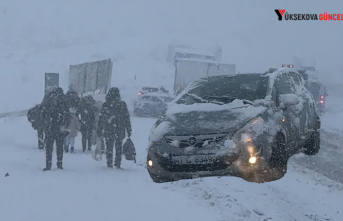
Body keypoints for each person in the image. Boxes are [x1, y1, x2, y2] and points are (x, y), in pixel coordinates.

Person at [97, 87, 132, 169]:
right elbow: (127, 118)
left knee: (109, 146)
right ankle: (118, 163)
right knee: (119, 147)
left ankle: (109, 162)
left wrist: (100, 128)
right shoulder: (122, 104)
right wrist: (128, 129)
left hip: (109, 128)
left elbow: (101, 118)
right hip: (119, 128)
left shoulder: (106, 104)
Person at [41, 88, 69, 171]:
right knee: (60, 146)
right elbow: (67, 114)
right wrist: (64, 124)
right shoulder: (63, 102)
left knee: (49, 147)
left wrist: (46, 122)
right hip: (60, 127)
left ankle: (48, 165)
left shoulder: (49, 101)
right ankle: (59, 164)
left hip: (50, 127)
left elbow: (43, 113)